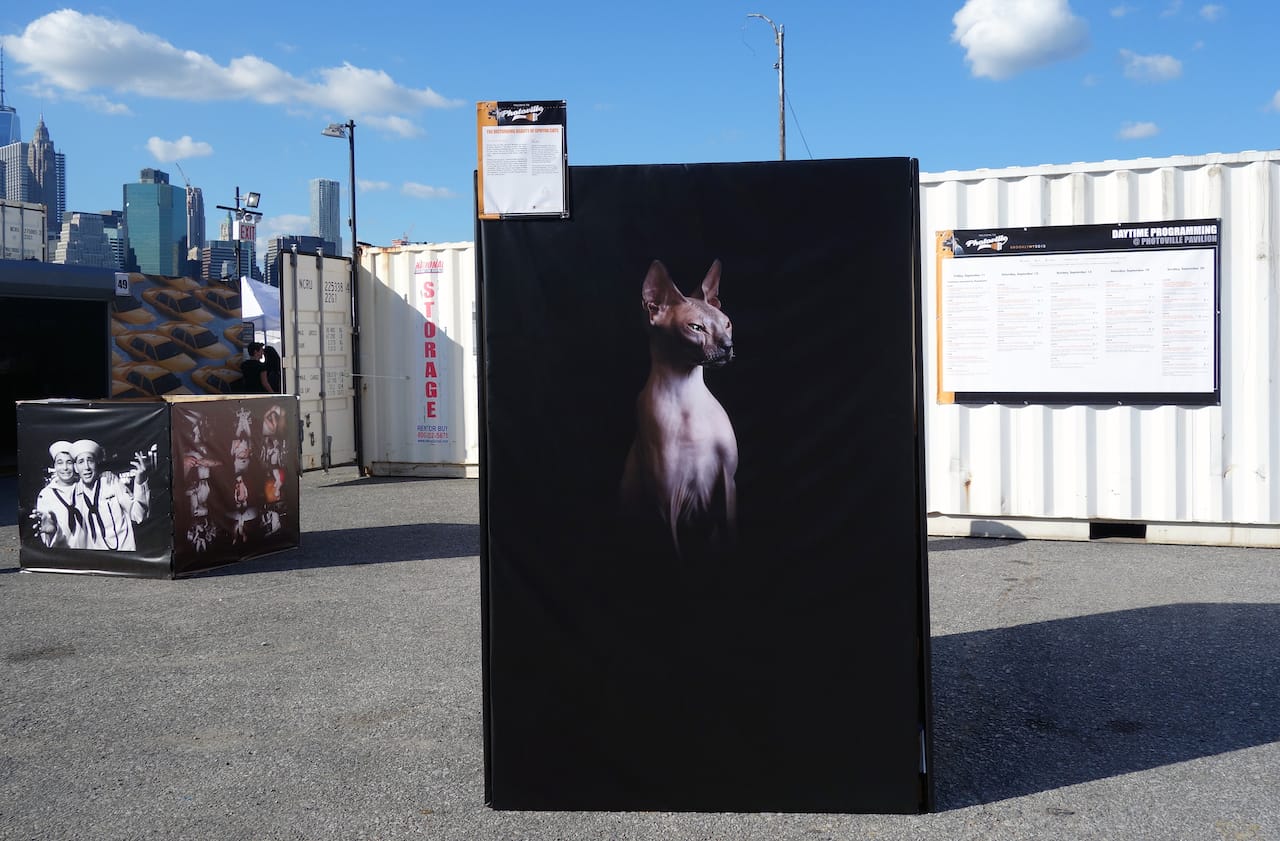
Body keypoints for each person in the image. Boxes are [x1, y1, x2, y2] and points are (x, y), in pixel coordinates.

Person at [72, 439, 151, 552]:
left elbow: (138, 515)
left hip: (124, 554)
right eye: (81, 462)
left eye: (90, 461)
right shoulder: (74, 494)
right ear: (75, 468)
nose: (86, 467)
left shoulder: (111, 483)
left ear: (96, 463)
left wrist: (139, 481)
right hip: (95, 560)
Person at [32, 440, 86, 549]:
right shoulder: (46, 494)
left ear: (75, 465)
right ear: (55, 466)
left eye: (69, 462)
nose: (65, 468)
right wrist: (51, 531)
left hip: (91, 551)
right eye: (60, 463)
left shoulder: (84, 486)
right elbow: (46, 535)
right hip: (63, 554)